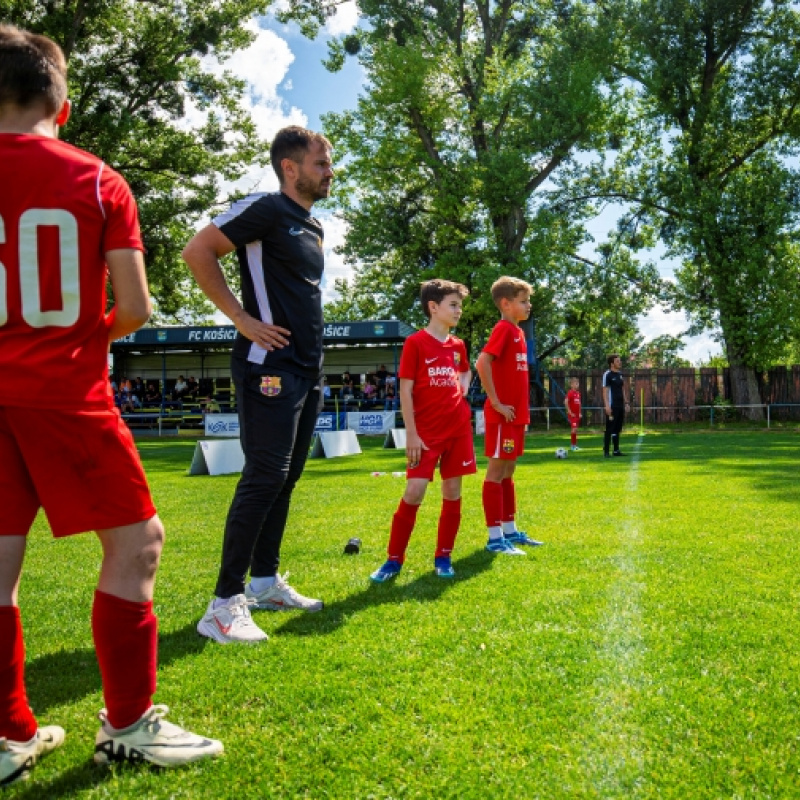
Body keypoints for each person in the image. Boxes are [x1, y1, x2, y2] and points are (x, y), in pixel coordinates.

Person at [0, 25, 222, 785]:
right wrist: (69, 331)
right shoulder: (97, 180)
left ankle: (7, 737)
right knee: (136, 545)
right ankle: (127, 725)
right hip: (64, 390)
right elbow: (133, 306)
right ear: (60, 104)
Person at [182, 125, 334, 644]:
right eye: (321, 163)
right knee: (264, 474)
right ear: (290, 168)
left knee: (286, 477)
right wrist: (242, 320)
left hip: (306, 371)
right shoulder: (266, 208)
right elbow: (198, 251)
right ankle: (224, 605)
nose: (329, 171)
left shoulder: (311, 225)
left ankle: (265, 584)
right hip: (266, 366)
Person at [370, 279, 475, 582]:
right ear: (433, 307)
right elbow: (405, 392)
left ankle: (444, 556)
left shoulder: (457, 345)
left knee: (452, 491)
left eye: (460, 305)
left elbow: (465, 370)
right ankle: (393, 560)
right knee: (414, 491)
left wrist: (462, 389)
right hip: (425, 433)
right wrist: (412, 434)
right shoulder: (415, 343)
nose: (459, 310)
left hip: (458, 429)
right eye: (453, 305)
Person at [475, 276, 543, 555]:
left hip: (516, 416)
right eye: (523, 301)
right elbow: (482, 362)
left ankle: (510, 531)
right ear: (506, 303)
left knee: (509, 470)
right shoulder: (503, 329)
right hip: (502, 416)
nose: (528, 306)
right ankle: (494, 538)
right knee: (496, 470)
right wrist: (497, 402)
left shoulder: (518, 333)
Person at [603, 353, 630, 457]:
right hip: (612, 406)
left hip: (620, 405)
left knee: (617, 429)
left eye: (620, 361)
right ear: (612, 363)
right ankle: (606, 451)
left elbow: (622, 390)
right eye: (618, 361)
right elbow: (605, 391)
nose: (620, 362)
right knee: (609, 428)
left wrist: (626, 403)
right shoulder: (607, 374)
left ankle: (616, 450)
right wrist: (607, 406)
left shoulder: (619, 374)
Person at [565, 376, 582, 451]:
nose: (577, 385)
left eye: (577, 383)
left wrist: (580, 413)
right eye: (575, 383)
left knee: (575, 429)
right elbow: (565, 402)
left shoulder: (578, 393)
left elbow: (579, 404)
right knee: (574, 429)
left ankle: (575, 445)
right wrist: (570, 412)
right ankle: (572, 446)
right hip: (572, 415)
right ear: (571, 385)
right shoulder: (570, 393)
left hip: (577, 415)